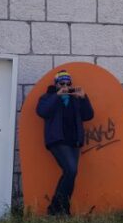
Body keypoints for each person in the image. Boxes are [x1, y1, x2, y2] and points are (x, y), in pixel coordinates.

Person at [36, 70, 94, 215]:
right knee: (71, 170)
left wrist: (84, 98)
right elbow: (42, 111)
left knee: (70, 173)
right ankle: (60, 209)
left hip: (74, 141)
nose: (66, 86)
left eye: (68, 83)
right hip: (57, 140)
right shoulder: (48, 96)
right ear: (56, 84)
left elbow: (89, 115)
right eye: (62, 83)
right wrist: (57, 95)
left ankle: (57, 209)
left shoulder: (75, 99)